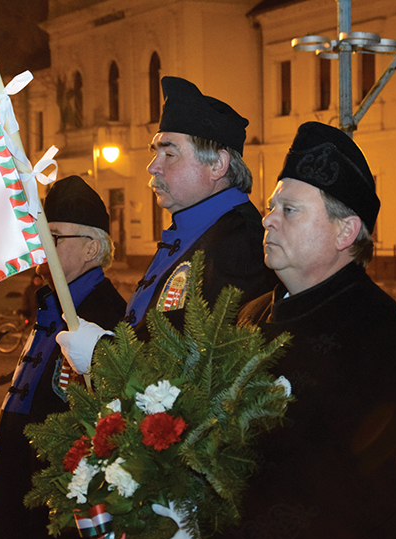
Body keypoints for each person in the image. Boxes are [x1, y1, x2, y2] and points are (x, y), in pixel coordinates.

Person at [178, 122, 396, 539]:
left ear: (345, 232)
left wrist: (207, 523)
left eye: (290, 209)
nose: (268, 218)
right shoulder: (248, 314)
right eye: (270, 205)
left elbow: (356, 497)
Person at [57, 76, 277, 375]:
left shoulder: (239, 242)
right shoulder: (197, 230)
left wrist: (102, 354)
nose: (152, 166)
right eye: (155, 152)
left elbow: (198, 368)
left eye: (169, 153)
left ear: (217, 165)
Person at [0, 175, 127, 539]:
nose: (43, 246)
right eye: (42, 235)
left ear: (92, 247)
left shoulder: (105, 315)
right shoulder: (49, 304)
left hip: (57, 499)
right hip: (18, 477)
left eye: (56, 237)